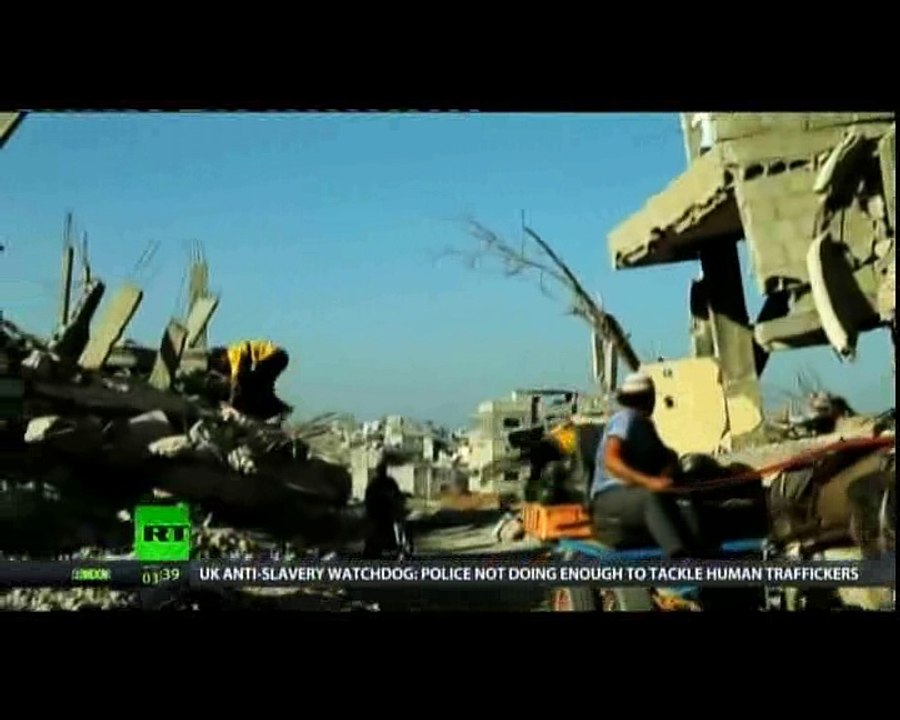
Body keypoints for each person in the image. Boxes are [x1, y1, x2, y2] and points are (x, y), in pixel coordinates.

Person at [589, 371, 706, 558]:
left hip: (634, 494)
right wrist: (649, 482)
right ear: (648, 397)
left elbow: (668, 456)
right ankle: (679, 559)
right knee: (651, 498)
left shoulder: (646, 427)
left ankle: (703, 553)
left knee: (687, 499)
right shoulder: (626, 418)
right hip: (610, 496)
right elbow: (611, 461)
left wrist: (668, 471)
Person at [208, 340, 291, 420]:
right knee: (260, 386)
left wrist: (231, 402)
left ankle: (277, 409)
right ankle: (276, 409)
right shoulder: (239, 356)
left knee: (254, 384)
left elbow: (235, 382)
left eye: (221, 364)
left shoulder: (233, 354)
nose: (224, 366)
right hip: (277, 357)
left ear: (222, 356)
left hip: (275, 356)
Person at [363, 458, 407, 559]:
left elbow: (369, 497)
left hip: (382, 514)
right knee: (379, 533)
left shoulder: (382, 483)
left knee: (381, 533)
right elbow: (369, 497)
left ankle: (383, 550)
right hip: (381, 514)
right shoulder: (384, 483)